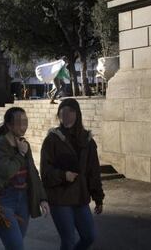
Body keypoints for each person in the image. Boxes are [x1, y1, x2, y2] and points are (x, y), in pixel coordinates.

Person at [40, 98, 104, 250]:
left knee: (89, 236)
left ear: (78, 114)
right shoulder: (52, 140)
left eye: (70, 112)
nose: (66, 116)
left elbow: (93, 172)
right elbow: (45, 172)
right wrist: (63, 175)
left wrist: (98, 196)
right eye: (62, 113)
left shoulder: (87, 140)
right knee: (68, 240)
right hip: (59, 198)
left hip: (80, 197)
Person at [0, 107, 50, 250]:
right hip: (3, 201)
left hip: (24, 202)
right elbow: (8, 171)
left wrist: (42, 198)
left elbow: (33, 173)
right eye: (19, 123)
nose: (23, 126)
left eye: (25, 122)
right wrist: (20, 154)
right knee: (16, 247)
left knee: (16, 244)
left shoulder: (24, 144)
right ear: (9, 125)